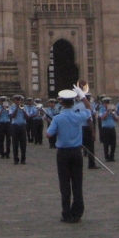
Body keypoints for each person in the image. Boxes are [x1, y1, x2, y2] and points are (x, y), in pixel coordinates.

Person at [46, 86, 92, 223]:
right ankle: (77, 213)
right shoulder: (78, 116)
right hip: (76, 152)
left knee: (64, 185)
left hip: (63, 153)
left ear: (61, 102)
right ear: (73, 102)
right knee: (77, 183)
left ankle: (66, 213)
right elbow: (89, 109)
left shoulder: (57, 118)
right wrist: (82, 96)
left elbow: (48, 134)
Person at [9, 95, 30, 165]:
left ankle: (23, 159)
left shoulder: (25, 107)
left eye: (19, 100)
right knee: (15, 143)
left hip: (22, 126)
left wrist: (23, 110)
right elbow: (12, 116)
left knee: (23, 144)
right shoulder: (12, 107)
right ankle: (16, 159)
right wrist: (17, 108)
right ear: (15, 101)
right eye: (17, 100)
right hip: (15, 126)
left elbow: (27, 117)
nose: (18, 101)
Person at [98, 97, 118, 162]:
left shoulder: (113, 110)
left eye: (108, 103)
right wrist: (107, 111)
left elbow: (117, 119)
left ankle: (112, 156)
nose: (107, 104)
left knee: (113, 144)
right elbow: (102, 118)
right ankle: (107, 157)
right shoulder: (102, 109)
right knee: (106, 144)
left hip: (112, 128)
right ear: (104, 103)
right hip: (105, 128)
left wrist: (112, 113)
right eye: (106, 103)